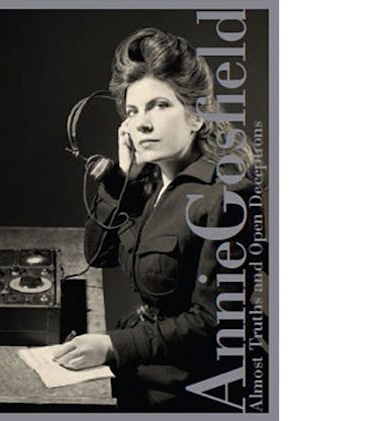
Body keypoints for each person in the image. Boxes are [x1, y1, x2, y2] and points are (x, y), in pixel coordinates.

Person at [52, 27, 255, 410]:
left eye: (159, 105)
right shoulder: (147, 182)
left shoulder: (226, 197)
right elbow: (98, 255)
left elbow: (213, 323)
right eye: (133, 111)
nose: (142, 123)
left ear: (196, 116)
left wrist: (113, 345)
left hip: (190, 394)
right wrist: (120, 180)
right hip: (143, 373)